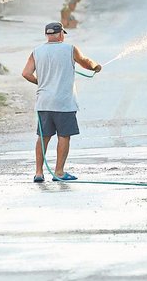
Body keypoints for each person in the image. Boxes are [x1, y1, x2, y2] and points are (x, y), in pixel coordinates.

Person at [22, 22, 102, 182]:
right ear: (60, 34)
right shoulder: (70, 49)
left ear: (47, 35)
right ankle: (59, 172)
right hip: (64, 102)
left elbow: (26, 73)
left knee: (43, 137)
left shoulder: (36, 52)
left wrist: (42, 83)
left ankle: (38, 173)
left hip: (44, 102)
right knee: (64, 136)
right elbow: (85, 62)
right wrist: (95, 67)